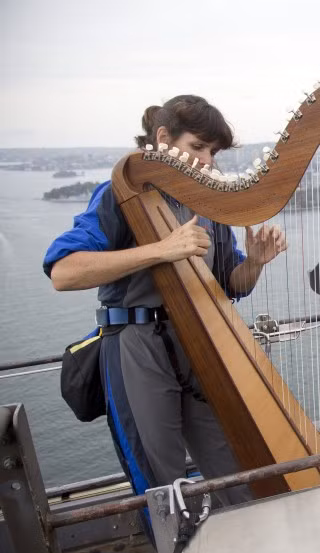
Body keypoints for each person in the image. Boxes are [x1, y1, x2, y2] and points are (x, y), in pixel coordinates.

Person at [44, 95, 287, 508]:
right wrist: (161, 250)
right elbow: (63, 272)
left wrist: (258, 263)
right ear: (162, 138)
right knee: (162, 484)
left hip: (201, 346)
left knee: (235, 470)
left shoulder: (206, 203)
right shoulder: (118, 196)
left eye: (213, 152)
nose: (208, 160)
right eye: (198, 147)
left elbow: (232, 282)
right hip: (136, 347)